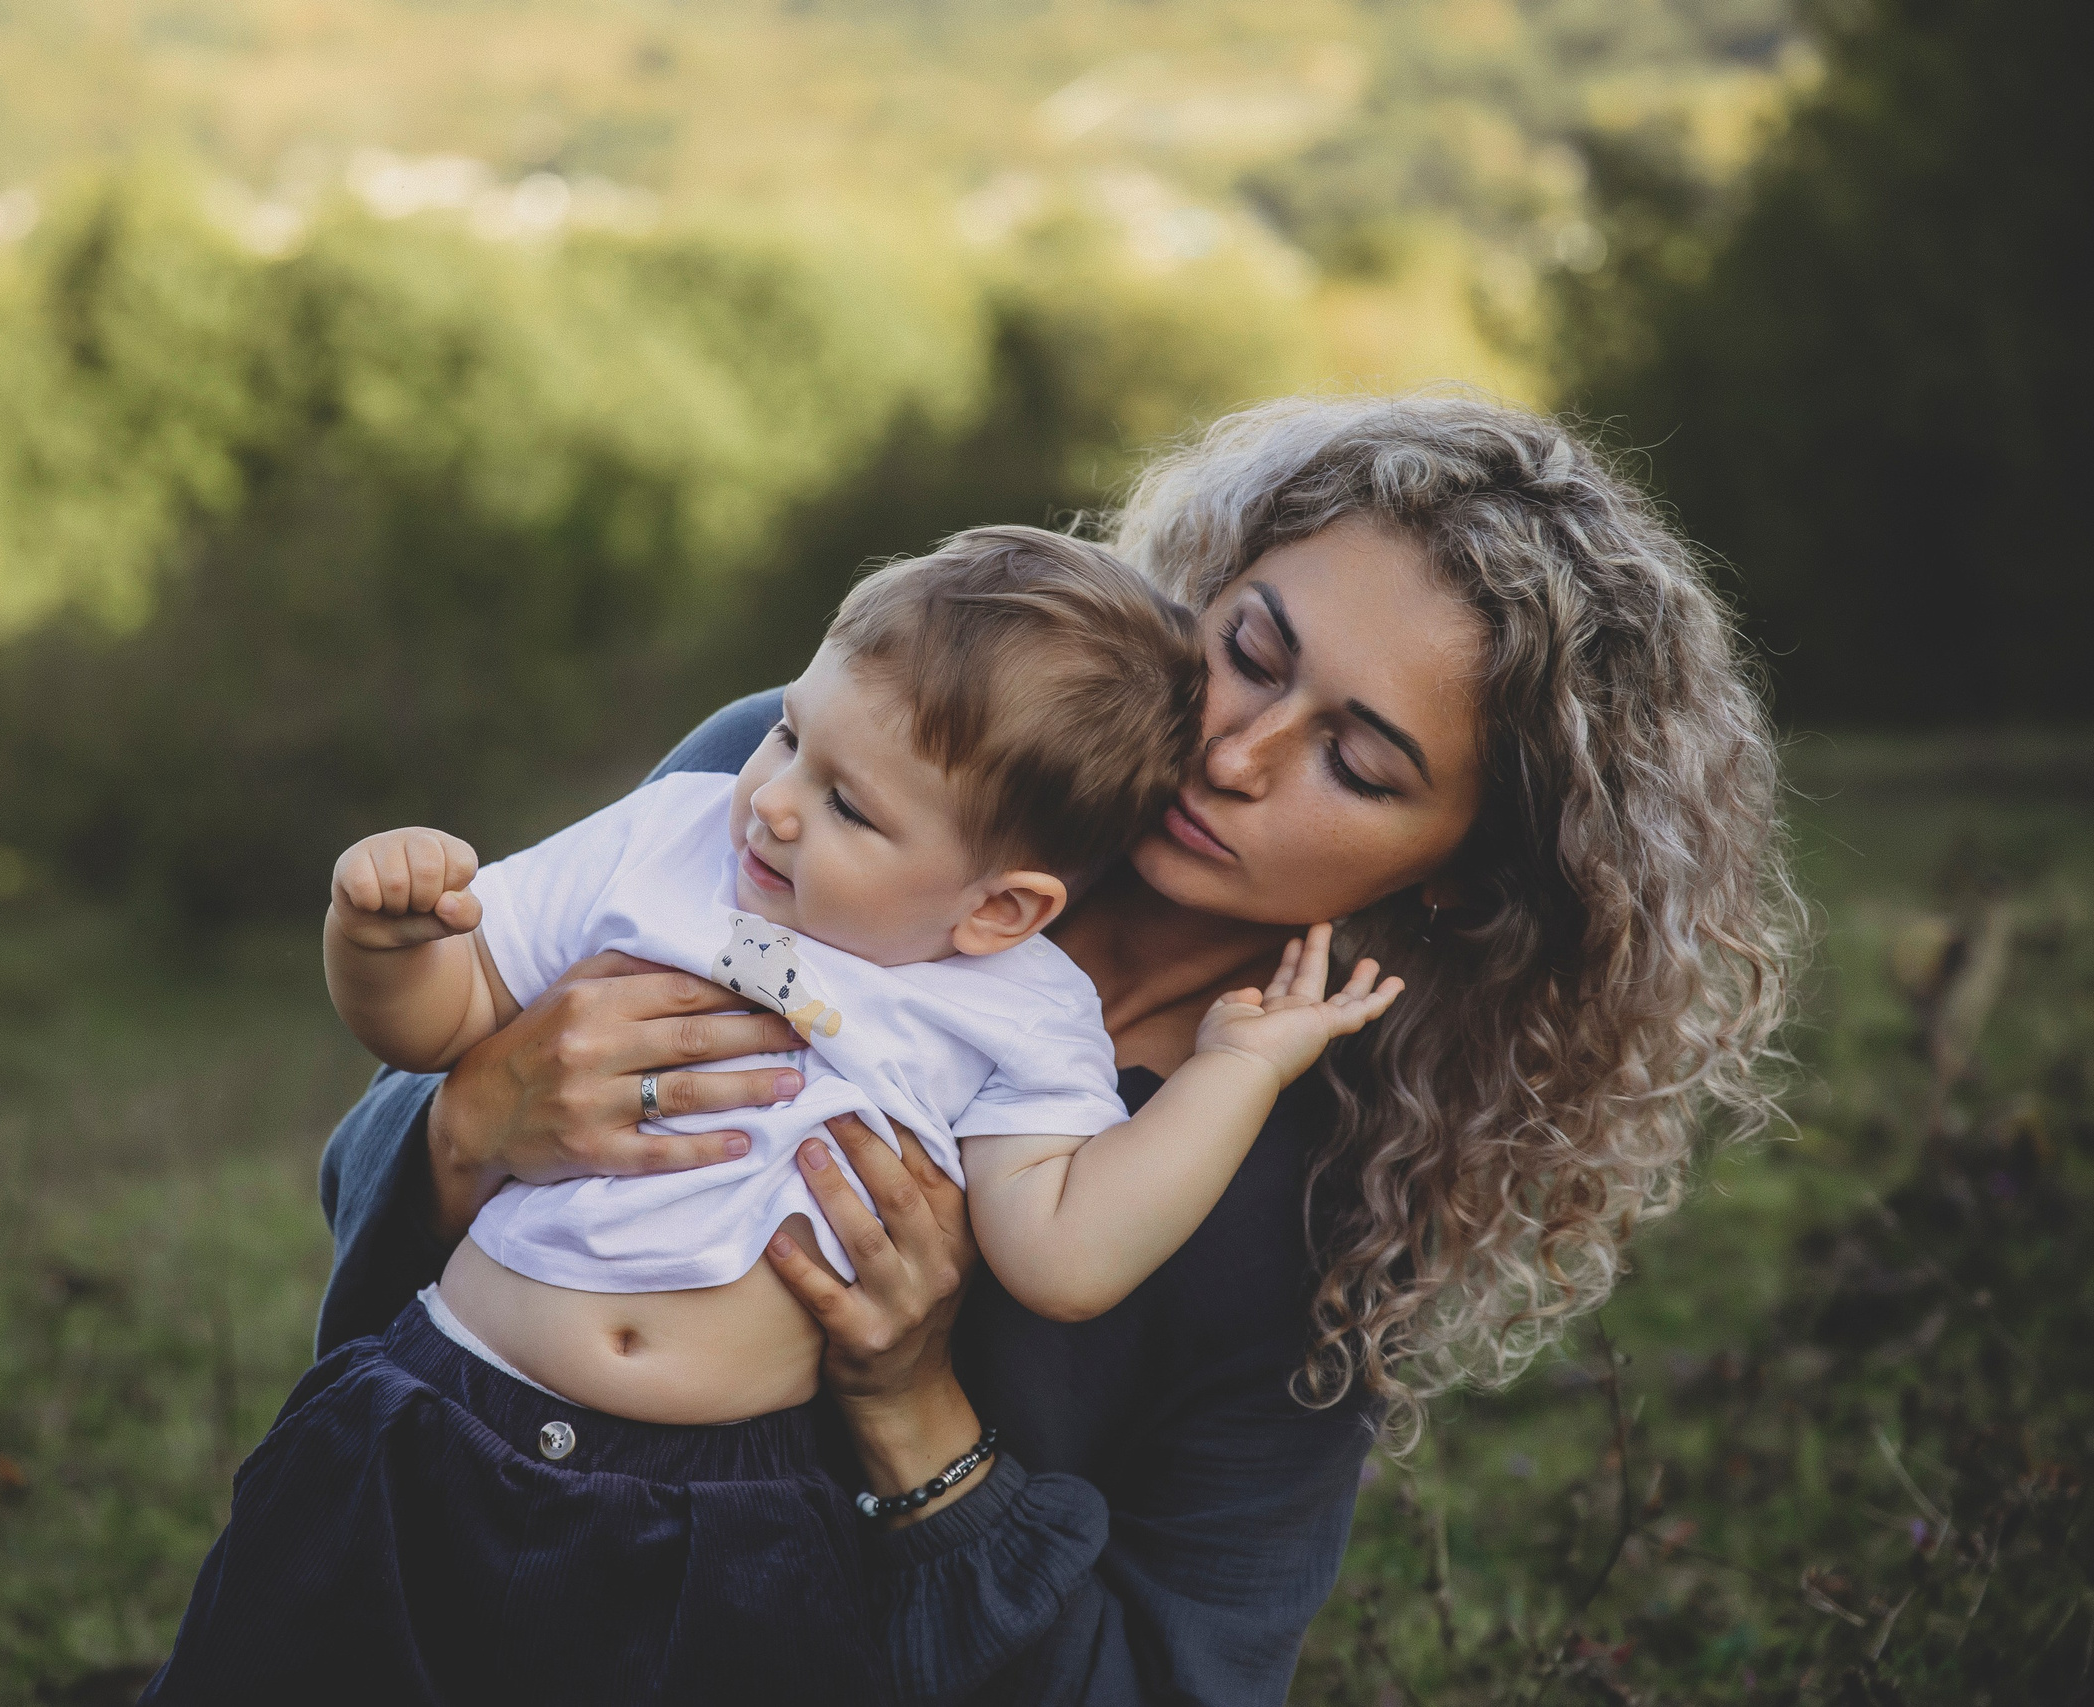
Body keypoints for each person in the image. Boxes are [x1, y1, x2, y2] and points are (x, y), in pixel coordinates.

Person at [315, 392, 1803, 1703]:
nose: (1238, 753)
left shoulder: (1312, 1215)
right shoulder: (822, 779)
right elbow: (370, 1195)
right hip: (421, 1545)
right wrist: (470, 1121)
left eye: (1355, 760)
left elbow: (1170, 1679)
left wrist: (916, 1415)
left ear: (1455, 874)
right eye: (1252, 649)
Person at [144, 529, 1400, 1703]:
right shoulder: (686, 835)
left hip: (721, 1514)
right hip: (428, 1408)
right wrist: (378, 937)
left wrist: (1231, 1071)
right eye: (791, 734)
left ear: (1001, 910)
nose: (780, 799)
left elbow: (1064, 1254)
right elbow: (435, 1021)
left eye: (849, 806)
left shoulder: (1019, 1009)